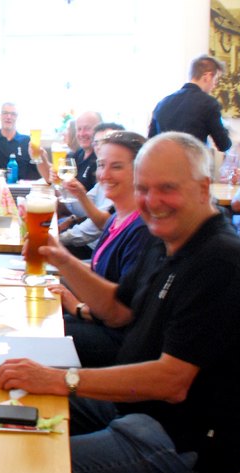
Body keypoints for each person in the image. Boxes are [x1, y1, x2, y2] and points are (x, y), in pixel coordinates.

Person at [0, 132, 240, 473]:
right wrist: (60, 258)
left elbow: (171, 382)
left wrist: (59, 379)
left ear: (204, 188)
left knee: (42, 467)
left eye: (167, 188)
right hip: (138, 408)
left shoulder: (222, 261)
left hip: (187, 436)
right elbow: (117, 310)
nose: (152, 201)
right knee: (20, 402)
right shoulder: (165, 238)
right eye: (143, 189)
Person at [47, 131, 155, 368]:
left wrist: (77, 307)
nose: (104, 174)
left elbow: (122, 314)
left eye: (116, 167)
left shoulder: (142, 229)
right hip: (100, 321)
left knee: (43, 334)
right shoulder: (116, 218)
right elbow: (99, 272)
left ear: (141, 171)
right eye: (101, 165)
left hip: (119, 342)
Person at [58, 123, 121, 259]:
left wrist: (58, 238)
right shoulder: (102, 179)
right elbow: (81, 210)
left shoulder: (118, 184)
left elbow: (97, 226)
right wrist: (74, 192)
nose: (100, 147)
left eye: (106, 141)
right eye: (97, 142)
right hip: (92, 246)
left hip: (95, 250)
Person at [148, 54, 231, 152]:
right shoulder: (209, 103)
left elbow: (150, 143)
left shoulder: (162, 103)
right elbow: (223, 145)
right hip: (192, 160)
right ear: (207, 76)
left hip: (164, 160)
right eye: (215, 79)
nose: (215, 85)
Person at [35, 111, 103, 191]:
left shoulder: (101, 160)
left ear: (100, 130)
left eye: (87, 128)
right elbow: (59, 188)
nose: (82, 133)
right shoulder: (77, 154)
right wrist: (56, 178)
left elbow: (99, 198)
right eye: (79, 129)